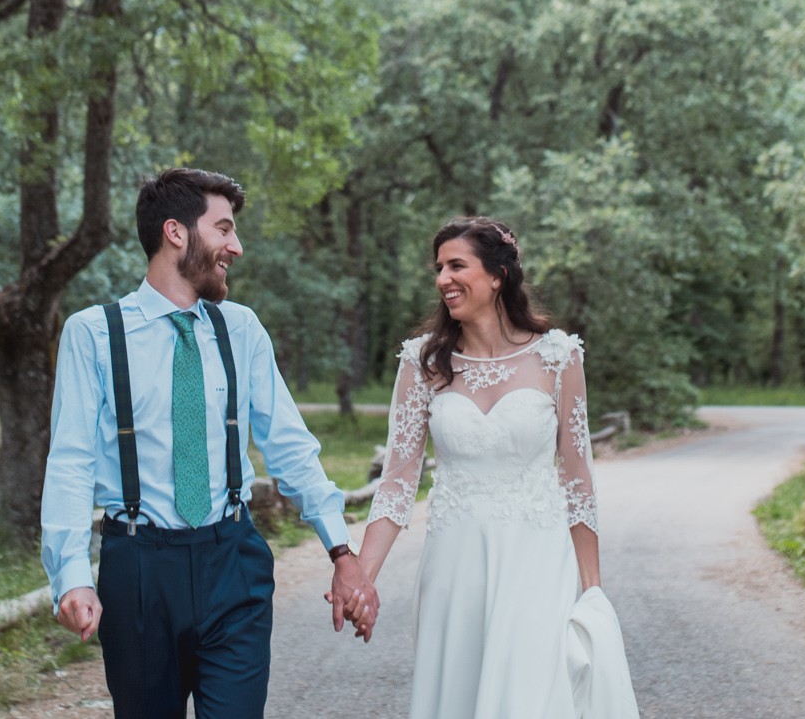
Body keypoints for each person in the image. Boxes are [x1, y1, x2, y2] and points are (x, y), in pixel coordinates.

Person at [40, 167, 374, 718]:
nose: (235, 247)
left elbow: (290, 446)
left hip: (234, 563)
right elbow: (70, 461)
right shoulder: (94, 333)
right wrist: (71, 575)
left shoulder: (240, 329)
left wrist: (341, 551)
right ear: (176, 232)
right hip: (139, 569)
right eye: (223, 229)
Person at [352, 215, 639, 719]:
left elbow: (577, 481)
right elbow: (397, 482)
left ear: (497, 276)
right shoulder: (422, 363)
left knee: (528, 693)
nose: (443, 278)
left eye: (456, 265)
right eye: (439, 268)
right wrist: (363, 577)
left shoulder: (558, 356)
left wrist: (592, 589)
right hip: (454, 564)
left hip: (536, 558)